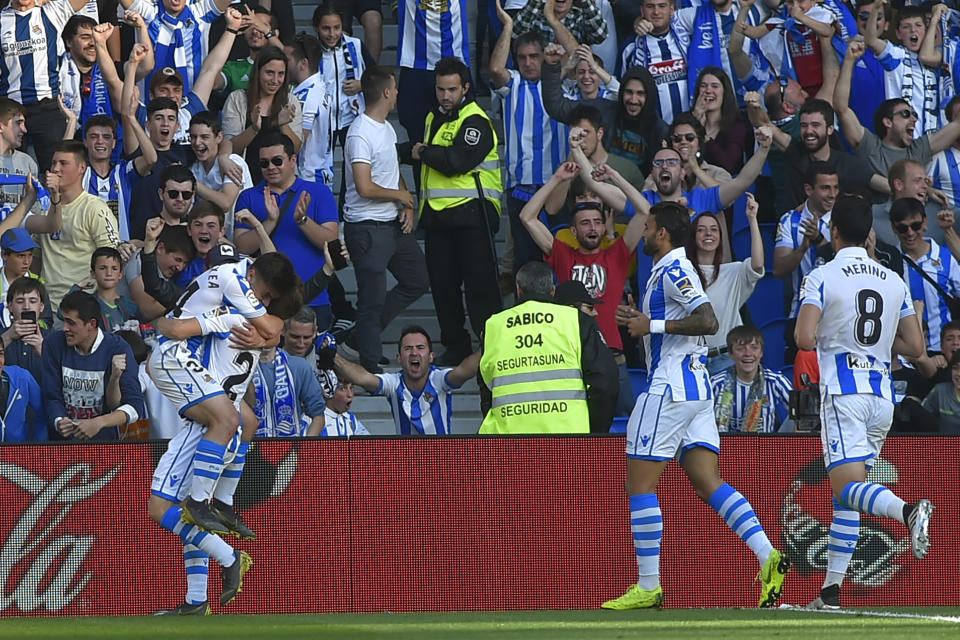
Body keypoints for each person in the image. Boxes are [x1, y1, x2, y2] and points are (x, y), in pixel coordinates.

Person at [605, 201, 790, 610]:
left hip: (670, 388)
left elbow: (708, 322)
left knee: (639, 484)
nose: (645, 233)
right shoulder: (667, 269)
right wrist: (641, 319)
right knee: (708, 482)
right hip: (696, 388)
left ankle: (648, 584)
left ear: (663, 234)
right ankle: (768, 556)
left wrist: (649, 325)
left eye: (649, 226)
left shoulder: (674, 268)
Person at [794, 193, 932, 610]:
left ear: (834, 232)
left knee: (848, 488)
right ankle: (830, 594)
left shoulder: (822, 275)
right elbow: (916, 345)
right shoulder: (893, 279)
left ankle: (908, 511)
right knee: (846, 498)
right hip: (882, 396)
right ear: (869, 233)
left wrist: (838, 334)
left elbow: (803, 337)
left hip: (845, 394)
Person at [521, 159, 648, 415]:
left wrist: (612, 175)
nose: (592, 227)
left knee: (625, 430)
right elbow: (527, 216)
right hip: (570, 357)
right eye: (585, 223)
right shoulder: (562, 254)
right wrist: (557, 179)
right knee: (579, 432)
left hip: (613, 358)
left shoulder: (617, 255)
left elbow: (645, 211)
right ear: (574, 230)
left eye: (596, 222)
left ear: (604, 226)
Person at [400, 56, 503, 366]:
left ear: (466, 88)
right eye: (441, 89)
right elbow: (427, 152)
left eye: (452, 89)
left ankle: (493, 347)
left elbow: (457, 160)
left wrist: (420, 152)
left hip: (473, 215)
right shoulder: (434, 117)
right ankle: (456, 346)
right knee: (444, 290)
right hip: (438, 217)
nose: (446, 95)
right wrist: (414, 151)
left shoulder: (475, 120)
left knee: (480, 287)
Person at [342, 66, 428, 374]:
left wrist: (407, 204)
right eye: (395, 89)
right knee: (371, 299)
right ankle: (369, 361)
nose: (398, 94)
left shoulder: (387, 128)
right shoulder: (360, 131)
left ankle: (359, 336)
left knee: (418, 280)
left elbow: (393, 175)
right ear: (387, 92)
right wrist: (398, 197)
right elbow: (364, 186)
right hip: (367, 227)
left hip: (393, 224)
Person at [478, 261, 618, 433]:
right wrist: (596, 432)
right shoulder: (577, 320)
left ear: (518, 289)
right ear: (553, 290)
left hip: (507, 441)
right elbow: (605, 381)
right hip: (568, 439)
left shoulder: (494, 326)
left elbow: (485, 389)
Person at [233, 130, 339, 329]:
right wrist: (269, 222)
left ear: (292, 160)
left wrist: (303, 221)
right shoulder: (248, 196)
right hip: (267, 300)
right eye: (264, 163)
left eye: (277, 161)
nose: (270, 167)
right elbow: (242, 245)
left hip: (314, 298)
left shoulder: (318, 192)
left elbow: (330, 242)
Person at [491, 3, 568, 272]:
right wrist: (508, 28)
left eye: (534, 56)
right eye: (522, 57)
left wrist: (552, 20)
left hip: (556, 187)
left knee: (560, 257)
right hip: (521, 187)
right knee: (526, 262)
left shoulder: (559, 82)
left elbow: (577, 56)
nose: (528, 62)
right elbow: (495, 70)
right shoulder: (513, 83)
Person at [834, 38, 960, 199]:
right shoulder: (870, 145)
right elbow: (841, 108)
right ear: (887, 122)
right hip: (878, 219)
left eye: (914, 115)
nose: (914, 119)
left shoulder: (918, 149)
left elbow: (957, 124)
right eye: (906, 114)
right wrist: (850, 60)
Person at [0, 0, 94, 172]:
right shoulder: (2, 19)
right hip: (10, 110)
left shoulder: (52, 12)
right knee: (8, 171)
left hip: (47, 108)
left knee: (57, 173)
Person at [333, 325, 480, 435]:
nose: (414, 353)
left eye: (420, 347)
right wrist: (331, 353)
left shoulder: (439, 379)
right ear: (399, 358)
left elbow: (464, 372)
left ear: (431, 357)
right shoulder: (394, 383)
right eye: (408, 348)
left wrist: (488, 346)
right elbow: (362, 378)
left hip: (441, 462)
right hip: (406, 465)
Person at [42, 290, 145, 441]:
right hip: (62, 445)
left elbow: (135, 407)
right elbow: (51, 397)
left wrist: (98, 423)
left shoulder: (118, 348)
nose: (64, 328)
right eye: (64, 321)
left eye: (71, 323)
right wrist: (59, 420)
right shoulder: (53, 344)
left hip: (104, 444)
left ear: (91, 324)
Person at [35, 140, 121, 312]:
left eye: (63, 163)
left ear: (82, 168)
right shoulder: (43, 207)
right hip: (46, 306)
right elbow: (36, 257)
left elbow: (111, 257)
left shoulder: (94, 208)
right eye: (53, 163)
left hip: (81, 306)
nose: (56, 169)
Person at [688, 196, 764, 375]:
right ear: (693, 237)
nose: (709, 234)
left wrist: (752, 219)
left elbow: (758, 264)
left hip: (726, 360)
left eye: (714, 230)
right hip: (692, 361)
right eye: (702, 230)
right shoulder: (683, 274)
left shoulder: (733, 271)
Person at [222, 46, 303, 184]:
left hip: (281, 184)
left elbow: (296, 148)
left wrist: (283, 125)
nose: (275, 80)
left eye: (281, 74)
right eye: (270, 73)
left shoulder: (290, 101)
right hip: (245, 181)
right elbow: (230, 148)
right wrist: (254, 129)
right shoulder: (237, 99)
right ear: (257, 72)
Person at [890, 197, 960, 352]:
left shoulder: (947, 258)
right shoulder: (890, 261)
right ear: (893, 228)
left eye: (916, 226)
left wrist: (949, 230)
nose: (910, 233)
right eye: (903, 228)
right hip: (905, 356)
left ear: (925, 222)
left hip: (943, 352)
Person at [711, 325, 792, 433]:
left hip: (765, 448)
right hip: (723, 447)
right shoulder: (716, 383)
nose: (748, 354)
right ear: (731, 354)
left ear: (761, 353)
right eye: (740, 349)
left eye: (754, 348)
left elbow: (802, 414)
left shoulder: (775, 381)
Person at [620, 0, 690, 124]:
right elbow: (620, 89)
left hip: (688, 132)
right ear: (642, 10)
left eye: (662, 6)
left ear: (672, 9)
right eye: (650, 6)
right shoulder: (630, 48)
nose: (656, 12)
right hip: (651, 131)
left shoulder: (689, 38)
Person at [189, 111, 252, 239]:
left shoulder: (233, 161)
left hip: (244, 236)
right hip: (215, 240)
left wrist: (192, 183)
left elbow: (226, 203)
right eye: (193, 137)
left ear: (218, 137)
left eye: (204, 137)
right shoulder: (194, 168)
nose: (197, 142)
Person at [284, 33, 335, 188]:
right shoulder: (319, 85)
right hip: (321, 173)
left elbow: (296, 144)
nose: (282, 64)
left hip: (308, 179)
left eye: (287, 60)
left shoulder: (306, 96)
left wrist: (280, 123)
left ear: (303, 63)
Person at [251, 343, 326, 437]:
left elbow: (318, 415)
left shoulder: (299, 366)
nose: (266, 336)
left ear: (280, 330)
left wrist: (305, 446)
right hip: (249, 447)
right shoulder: (239, 367)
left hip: (291, 448)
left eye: (271, 331)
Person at [0, 278, 49, 383]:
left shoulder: (54, 338)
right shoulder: (2, 335)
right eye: (20, 301)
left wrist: (43, 350)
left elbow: (64, 376)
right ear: (10, 306)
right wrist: (7, 337)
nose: (26, 307)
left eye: (33, 301)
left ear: (41, 307)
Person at [0, 98, 39, 220]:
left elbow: (35, 212)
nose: (24, 130)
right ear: (1, 127)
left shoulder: (28, 163)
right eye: (18, 123)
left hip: (21, 234)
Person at [0, 340, 46, 442]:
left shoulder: (21, 377)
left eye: (1, 354)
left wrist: (40, 446)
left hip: (17, 453)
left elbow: (43, 413)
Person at [921, 351, 960, 434]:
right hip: (945, 445)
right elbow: (923, 419)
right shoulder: (940, 391)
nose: (959, 374)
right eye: (955, 368)